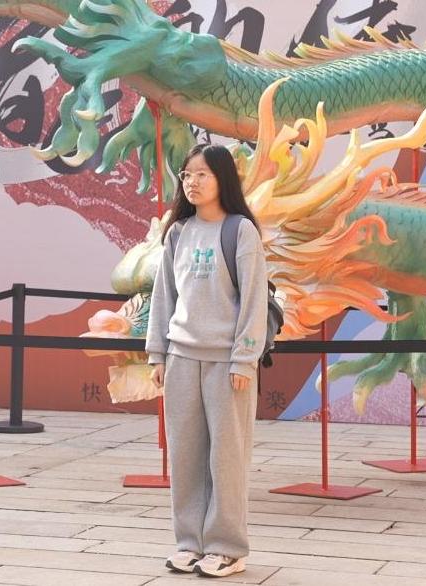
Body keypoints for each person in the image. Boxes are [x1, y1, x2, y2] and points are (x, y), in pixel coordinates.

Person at [144, 143, 268, 578]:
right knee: (184, 456)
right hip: (181, 358)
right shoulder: (178, 232)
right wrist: (157, 353)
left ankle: (227, 547)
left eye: (202, 175)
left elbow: (253, 300)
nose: (192, 183)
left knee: (226, 458)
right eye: (186, 175)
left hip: (227, 364)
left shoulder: (240, 231)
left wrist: (244, 359)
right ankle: (190, 543)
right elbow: (163, 296)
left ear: (222, 179)